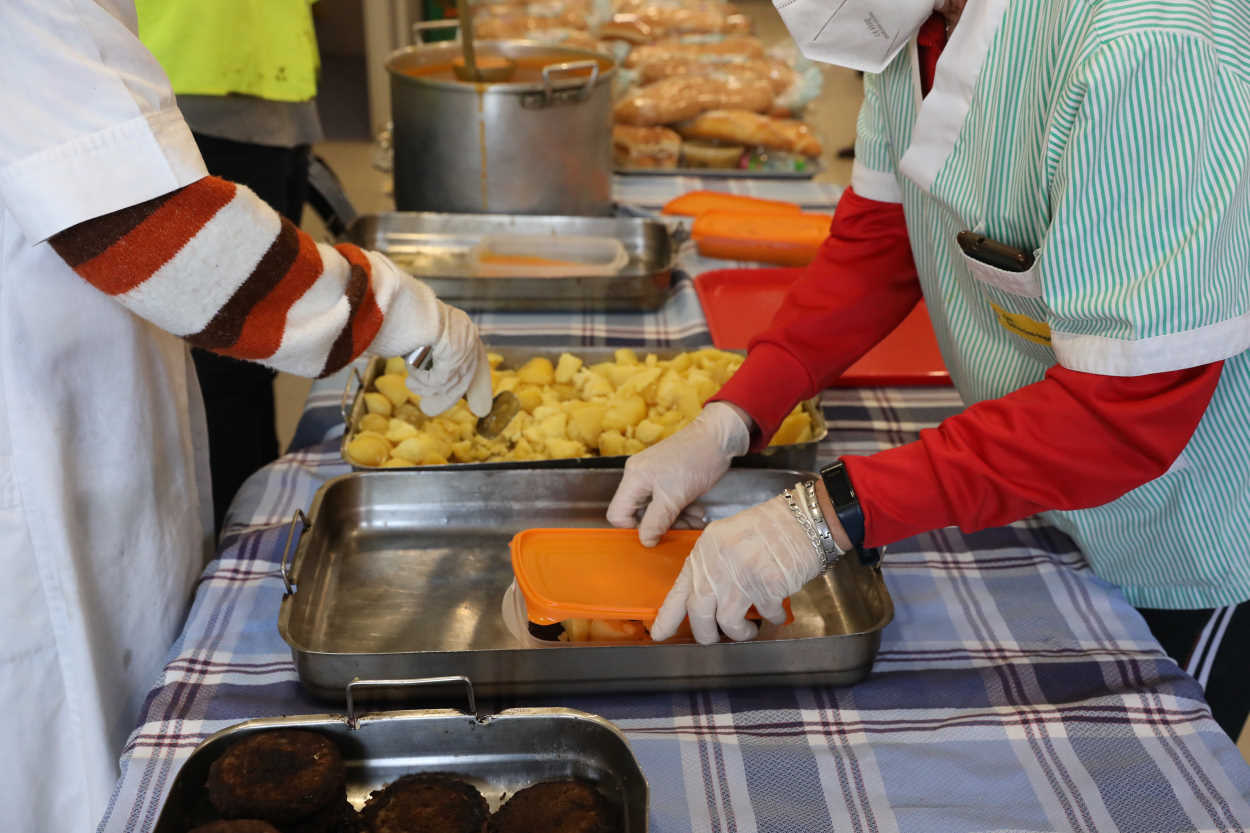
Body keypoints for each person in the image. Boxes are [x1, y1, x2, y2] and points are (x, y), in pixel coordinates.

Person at [608, 0, 1250, 740]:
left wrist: (829, 514)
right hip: (1041, 481)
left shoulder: (1154, 46)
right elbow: (882, 236)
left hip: (1184, 527)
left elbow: (1125, 413)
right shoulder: (918, 18)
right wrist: (733, 415)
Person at [0, 2, 490, 830]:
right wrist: (390, 310)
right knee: (82, 773)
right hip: (41, 477)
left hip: (90, 425)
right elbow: (165, 236)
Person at [135, 0, 326, 534]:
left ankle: (256, 533)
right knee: (222, 363)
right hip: (189, 95)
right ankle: (237, 554)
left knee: (257, 346)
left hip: (268, 95)